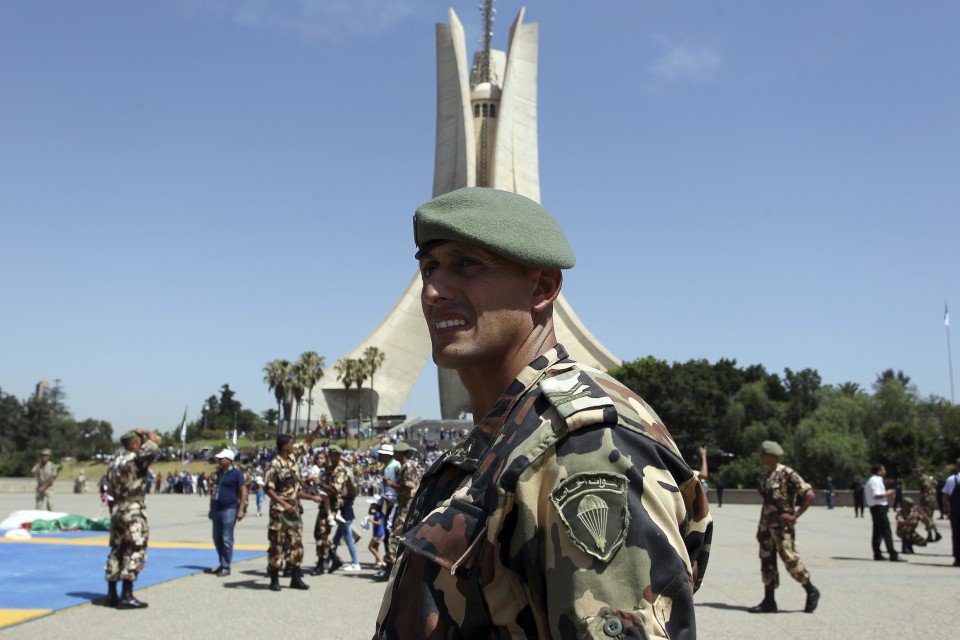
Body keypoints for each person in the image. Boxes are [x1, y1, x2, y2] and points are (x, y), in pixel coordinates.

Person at [374, 187, 712, 639]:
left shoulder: (582, 447)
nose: (433, 290)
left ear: (543, 287)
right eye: (429, 268)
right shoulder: (507, 433)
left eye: (467, 264)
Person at [749, 440, 820, 614]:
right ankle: (769, 600)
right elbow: (766, 503)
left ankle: (811, 589)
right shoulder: (766, 476)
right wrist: (760, 526)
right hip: (767, 526)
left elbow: (809, 495)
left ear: (772, 455)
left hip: (782, 527)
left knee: (790, 559)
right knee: (767, 562)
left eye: (763, 453)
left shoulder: (787, 473)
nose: (761, 456)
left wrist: (795, 515)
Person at [264, 417, 325, 591]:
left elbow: (307, 443)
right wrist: (284, 504)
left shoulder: (292, 458)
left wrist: (318, 428)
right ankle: (274, 578)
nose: (294, 446)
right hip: (279, 510)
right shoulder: (274, 465)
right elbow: (268, 489)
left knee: (297, 543)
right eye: (291, 444)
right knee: (277, 543)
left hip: (294, 508)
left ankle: (295, 576)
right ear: (284, 446)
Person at [103, 428, 161, 609]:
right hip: (133, 508)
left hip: (117, 508)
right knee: (135, 547)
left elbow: (108, 488)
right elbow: (156, 441)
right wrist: (146, 432)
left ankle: (112, 593)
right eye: (139, 441)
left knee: (116, 549)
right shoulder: (136, 459)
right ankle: (127, 594)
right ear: (134, 443)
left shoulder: (114, 462)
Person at [376, 441, 418, 580]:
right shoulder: (404, 466)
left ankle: (389, 568)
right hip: (404, 505)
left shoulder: (407, 467)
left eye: (397, 452)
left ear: (402, 454)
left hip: (407, 506)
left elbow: (408, 487)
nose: (394, 454)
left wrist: (391, 484)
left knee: (395, 537)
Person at [205, 448, 247, 577]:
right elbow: (214, 492)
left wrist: (240, 510)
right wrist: (211, 509)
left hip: (230, 508)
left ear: (228, 460)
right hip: (217, 508)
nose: (218, 460)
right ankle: (222, 562)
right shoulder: (218, 474)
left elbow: (243, 492)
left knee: (226, 538)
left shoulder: (236, 474)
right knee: (216, 538)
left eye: (221, 458)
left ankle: (225, 565)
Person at [326, 444, 361, 572]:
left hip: (345, 513)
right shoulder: (343, 474)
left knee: (348, 539)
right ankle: (329, 560)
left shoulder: (343, 475)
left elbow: (345, 495)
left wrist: (340, 499)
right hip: (345, 512)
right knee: (335, 539)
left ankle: (356, 563)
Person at [865, 464, 904, 562]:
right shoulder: (875, 480)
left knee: (877, 532)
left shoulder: (874, 480)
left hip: (877, 508)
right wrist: (889, 492)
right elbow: (877, 495)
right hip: (879, 508)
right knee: (886, 531)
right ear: (879, 471)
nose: (885, 472)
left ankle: (877, 553)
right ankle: (892, 554)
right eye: (883, 470)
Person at [377, 442, 399, 575]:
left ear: (387, 455)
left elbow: (400, 484)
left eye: (381, 454)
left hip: (394, 502)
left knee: (389, 531)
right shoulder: (387, 465)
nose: (379, 456)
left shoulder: (395, 466)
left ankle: (391, 563)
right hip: (387, 501)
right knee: (386, 531)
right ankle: (389, 561)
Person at [913, 467, 942, 542]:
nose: (916, 473)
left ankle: (935, 532)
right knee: (929, 517)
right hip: (932, 498)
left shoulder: (922, 479)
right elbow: (936, 483)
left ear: (921, 472)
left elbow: (925, 486)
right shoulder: (929, 477)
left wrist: (925, 494)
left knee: (926, 517)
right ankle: (930, 534)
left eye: (917, 471)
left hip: (927, 499)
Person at [942, 459, 960, 567]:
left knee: (956, 534)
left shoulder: (951, 479)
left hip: (955, 511)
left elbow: (945, 495)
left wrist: (945, 507)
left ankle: (957, 558)